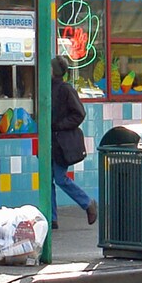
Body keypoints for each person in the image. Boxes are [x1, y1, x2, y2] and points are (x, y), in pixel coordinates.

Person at [49, 58, 96, 225]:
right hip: (50, 142)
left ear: (54, 71)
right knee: (48, 180)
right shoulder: (47, 87)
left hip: (62, 143)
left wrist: (59, 126)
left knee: (60, 179)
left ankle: (87, 203)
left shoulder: (66, 90)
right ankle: (51, 218)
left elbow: (79, 114)